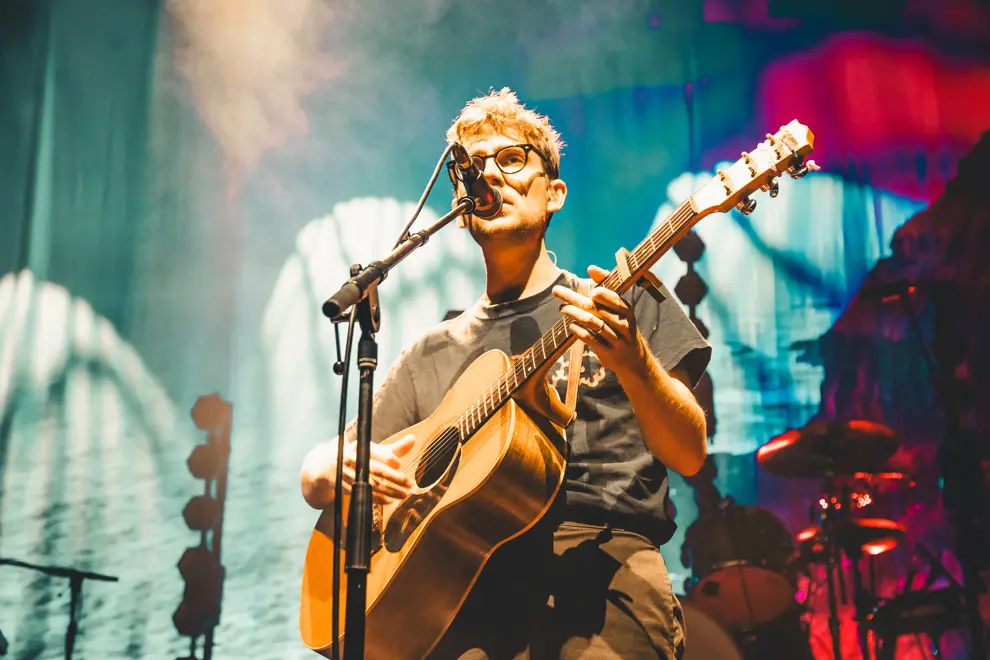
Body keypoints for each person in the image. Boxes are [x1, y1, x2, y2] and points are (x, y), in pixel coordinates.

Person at [300, 88, 711, 659]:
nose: (489, 173)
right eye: (473, 167)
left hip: (599, 575)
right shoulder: (432, 351)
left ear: (555, 193)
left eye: (511, 158)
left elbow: (689, 451)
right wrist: (327, 468)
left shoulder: (618, 299)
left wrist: (635, 363)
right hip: (462, 595)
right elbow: (322, 472)